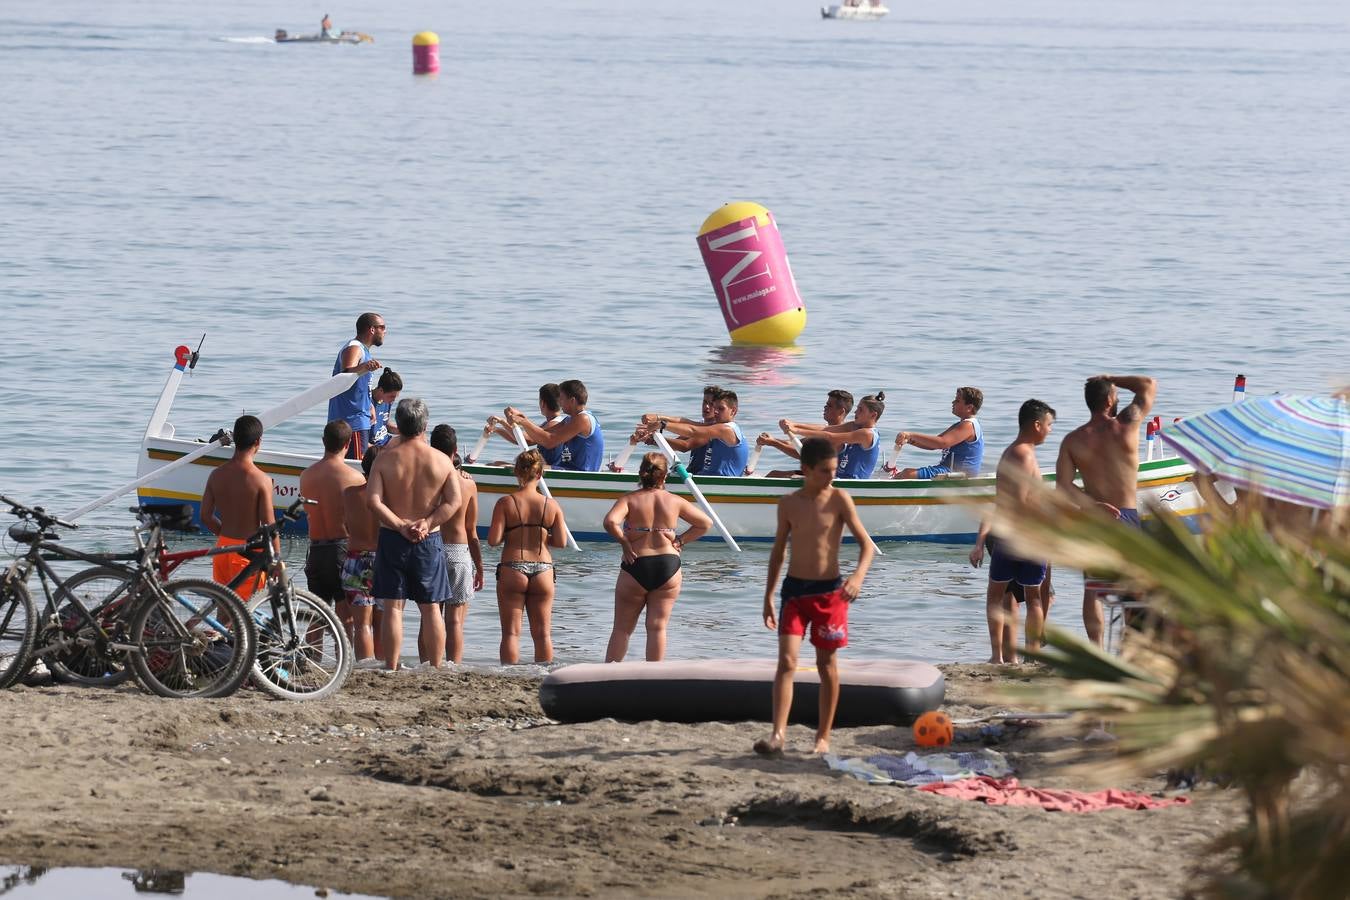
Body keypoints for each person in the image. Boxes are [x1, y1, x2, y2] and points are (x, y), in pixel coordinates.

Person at [755, 437, 875, 756]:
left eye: (834, 470)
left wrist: (858, 577)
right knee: (787, 661)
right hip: (794, 591)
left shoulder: (840, 499)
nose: (831, 476)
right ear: (806, 469)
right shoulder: (789, 504)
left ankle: (823, 736)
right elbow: (778, 552)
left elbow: (867, 546)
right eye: (824, 471)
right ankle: (778, 735)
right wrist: (768, 594)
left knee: (826, 664)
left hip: (830, 593)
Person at [1056, 374, 1156, 645]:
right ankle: (1132, 648)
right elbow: (1147, 384)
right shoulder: (1127, 425)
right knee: (1135, 586)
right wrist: (1110, 378)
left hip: (1095, 519)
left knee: (1093, 589)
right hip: (1126, 516)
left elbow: (1064, 487)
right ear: (1111, 399)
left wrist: (1093, 504)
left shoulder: (1073, 440)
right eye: (1114, 394)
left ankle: (1097, 651)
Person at [366, 398, 463, 671]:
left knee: (393, 608)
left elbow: (373, 501)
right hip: (427, 539)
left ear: (400, 425)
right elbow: (453, 502)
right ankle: (435, 665)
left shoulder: (385, 459)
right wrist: (427, 522)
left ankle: (392, 665)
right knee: (431, 607)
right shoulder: (441, 460)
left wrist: (400, 525)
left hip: (393, 537)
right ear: (425, 426)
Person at [969, 399, 1056, 663]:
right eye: (1049, 425)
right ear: (1037, 424)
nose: (1050, 431)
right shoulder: (1023, 454)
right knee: (1030, 598)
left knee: (1007, 595)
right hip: (1023, 535)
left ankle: (1004, 656)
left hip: (1012, 533)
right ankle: (1023, 655)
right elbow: (1019, 502)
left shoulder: (1016, 452)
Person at [601, 453, 711, 662]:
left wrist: (624, 542)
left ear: (641, 474)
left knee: (622, 629)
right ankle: (654, 678)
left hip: (636, 562)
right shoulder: (675, 501)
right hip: (668, 565)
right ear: (664, 477)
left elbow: (610, 522)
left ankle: (609, 676)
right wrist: (681, 540)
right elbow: (705, 523)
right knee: (657, 628)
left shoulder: (629, 499)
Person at [488, 450, 568, 664]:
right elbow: (560, 542)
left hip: (513, 567)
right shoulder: (551, 505)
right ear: (540, 474)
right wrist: (541, 538)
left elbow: (493, 540)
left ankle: (509, 674)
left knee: (511, 633)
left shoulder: (505, 503)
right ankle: (543, 675)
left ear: (517, 472)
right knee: (542, 634)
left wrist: (514, 534)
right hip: (543, 569)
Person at [200, 415, 274, 599]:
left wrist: (225, 535)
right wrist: (276, 558)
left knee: (224, 611)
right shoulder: (261, 480)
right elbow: (269, 526)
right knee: (243, 616)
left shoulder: (216, 475)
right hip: (247, 554)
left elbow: (205, 516)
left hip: (222, 550)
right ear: (258, 441)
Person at [298, 421, 365, 619]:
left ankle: (310, 651)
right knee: (345, 619)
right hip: (341, 550)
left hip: (316, 551)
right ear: (347, 445)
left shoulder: (306, 475)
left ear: (323, 441)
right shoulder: (355, 478)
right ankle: (343, 652)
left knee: (316, 617)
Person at [430, 424, 483, 665]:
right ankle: (454, 666)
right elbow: (472, 531)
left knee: (430, 615)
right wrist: (480, 566)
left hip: (433, 548)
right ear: (454, 451)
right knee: (455, 621)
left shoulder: (426, 479)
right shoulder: (468, 484)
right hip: (460, 552)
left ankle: (429, 664)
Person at [639, 390, 748, 477]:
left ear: (733, 411)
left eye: (721, 409)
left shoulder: (727, 429)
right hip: (706, 479)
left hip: (721, 483)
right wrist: (658, 421)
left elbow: (693, 431)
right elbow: (688, 423)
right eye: (715, 408)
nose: (715, 412)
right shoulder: (717, 426)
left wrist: (662, 425)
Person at [781, 392, 886, 480]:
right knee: (777, 474)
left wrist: (796, 430)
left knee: (790, 477)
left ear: (873, 415)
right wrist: (793, 424)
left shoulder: (867, 434)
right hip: (837, 479)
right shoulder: (853, 426)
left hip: (851, 483)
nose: (855, 411)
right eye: (857, 408)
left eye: (860, 409)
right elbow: (825, 429)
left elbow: (830, 436)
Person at [505, 379, 604, 471]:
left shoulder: (583, 419)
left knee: (525, 468)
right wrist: (522, 417)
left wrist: (523, 421)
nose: (559, 403)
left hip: (581, 473)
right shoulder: (569, 419)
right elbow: (541, 435)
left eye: (561, 398)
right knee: (517, 465)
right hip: (567, 468)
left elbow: (550, 441)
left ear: (572, 401)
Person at [341, 447, 382, 665]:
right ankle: (385, 665)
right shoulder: (389, 499)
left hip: (356, 559)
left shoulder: (349, 494)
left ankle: (365, 666)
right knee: (384, 622)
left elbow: (346, 525)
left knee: (362, 625)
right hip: (385, 560)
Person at [891, 387, 985, 479]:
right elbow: (933, 445)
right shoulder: (960, 424)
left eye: (957, 401)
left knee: (907, 474)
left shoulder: (968, 425)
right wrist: (909, 440)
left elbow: (941, 443)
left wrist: (910, 434)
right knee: (906, 473)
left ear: (969, 407)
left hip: (957, 474)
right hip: (948, 470)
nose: (953, 403)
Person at [756, 389, 853, 477]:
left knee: (775, 475)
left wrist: (773, 443)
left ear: (841, 411)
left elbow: (803, 455)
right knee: (774, 474)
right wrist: (770, 439)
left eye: (829, 405)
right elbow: (794, 444)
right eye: (826, 404)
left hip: (828, 479)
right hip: (818, 474)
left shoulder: (838, 438)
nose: (825, 407)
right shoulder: (823, 432)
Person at [328, 312, 385, 460]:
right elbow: (346, 372)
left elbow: (359, 384)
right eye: (382, 327)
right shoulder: (355, 347)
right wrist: (365, 366)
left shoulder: (364, 351)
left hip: (356, 418)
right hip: (352, 421)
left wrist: (370, 405)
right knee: (356, 468)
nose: (385, 331)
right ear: (372, 329)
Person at [489, 383, 566, 467]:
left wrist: (503, 422)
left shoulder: (554, 424)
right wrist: (497, 429)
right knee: (496, 464)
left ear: (542, 403)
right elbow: (517, 440)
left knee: (496, 465)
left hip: (548, 469)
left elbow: (526, 440)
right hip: (541, 467)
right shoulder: (550, 423)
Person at [654, 385, 722, 475]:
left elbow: (685, 446)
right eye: (704, 402)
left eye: (711, 404)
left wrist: (658, 434)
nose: (706, 407)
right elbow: (677, 442)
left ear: (718, 407)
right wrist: (652, 439)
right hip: (692, 472)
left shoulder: (716, 428)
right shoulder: (700, 424)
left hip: (703, 476)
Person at [368, 369, 403, 448]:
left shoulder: (387, 401)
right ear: (381, 390)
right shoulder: (367, 403)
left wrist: (404, 431)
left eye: (395, 396)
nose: (393, 400)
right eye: (392, 396)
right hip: (375, 446)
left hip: (386, 441)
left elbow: (385, 424)